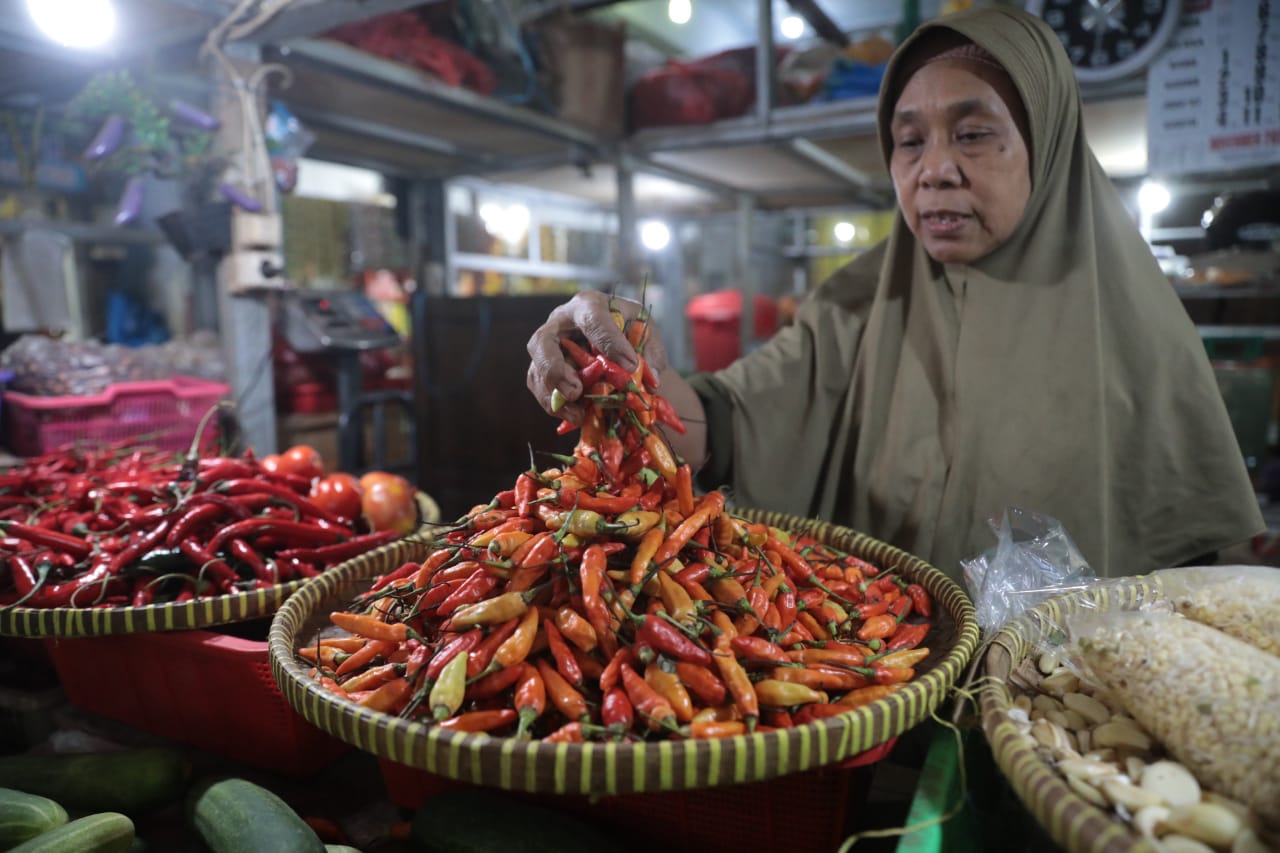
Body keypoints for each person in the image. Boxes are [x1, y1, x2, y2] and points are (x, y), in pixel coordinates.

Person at [526, 6, 1263, 581]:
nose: (932, 169)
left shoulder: (1136, 330)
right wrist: (631, 366)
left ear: (1047, 147)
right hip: (884, 688)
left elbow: (1198, 572)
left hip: (1061, 716)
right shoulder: (856, 305)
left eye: (973, 135)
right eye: (910, 141)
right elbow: (719, 429)